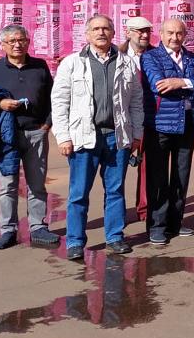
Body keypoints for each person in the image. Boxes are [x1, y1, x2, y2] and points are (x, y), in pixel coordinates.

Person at [51, 15, 143, 260]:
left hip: (116, 137)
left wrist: (137, 134)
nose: (101, 32)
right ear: (87, 34)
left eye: (105, 28)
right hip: (84, 138)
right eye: (96, 29)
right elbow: (59, 102)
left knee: (115, 190)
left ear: (113, 33)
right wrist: (62, 137)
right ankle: (75, 242)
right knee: (79, 192)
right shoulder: (72, 63)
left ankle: (114, 237)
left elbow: (135, 102)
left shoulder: (127, 63)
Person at [0, 24, 58, 250]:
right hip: (6, 137)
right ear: (3, 45)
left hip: (35, 133)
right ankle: (8, 230)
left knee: (37, 184)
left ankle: (38, 227)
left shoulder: (40, 67)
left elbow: (54, 97)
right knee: (8, 185)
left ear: (28, 42)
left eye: (22, 40)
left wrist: (48, 123)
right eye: (12, 41)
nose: (18, 45)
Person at [141, 18, 194, 246]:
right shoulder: (150, 57)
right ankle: (157, 225)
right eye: (170, 33)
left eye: (179, 34)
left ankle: (175, 221)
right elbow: (158, 84)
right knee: (158, 177)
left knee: (181, 176)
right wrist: (189, 84)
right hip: (160, 125)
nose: (175, 38)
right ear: (161, 34)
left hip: (187, 124)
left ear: (185, 36)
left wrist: (180, 81)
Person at [120, 16, 155, 223]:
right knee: (117, 170)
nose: (144, 35)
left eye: (147, 31)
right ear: (128, 32)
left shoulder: (156, 55)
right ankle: (116, 213)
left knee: (147, 167)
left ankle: (145, 209)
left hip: (150, 119)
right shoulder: (117, 55)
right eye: (139, 31)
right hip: (123, 120)